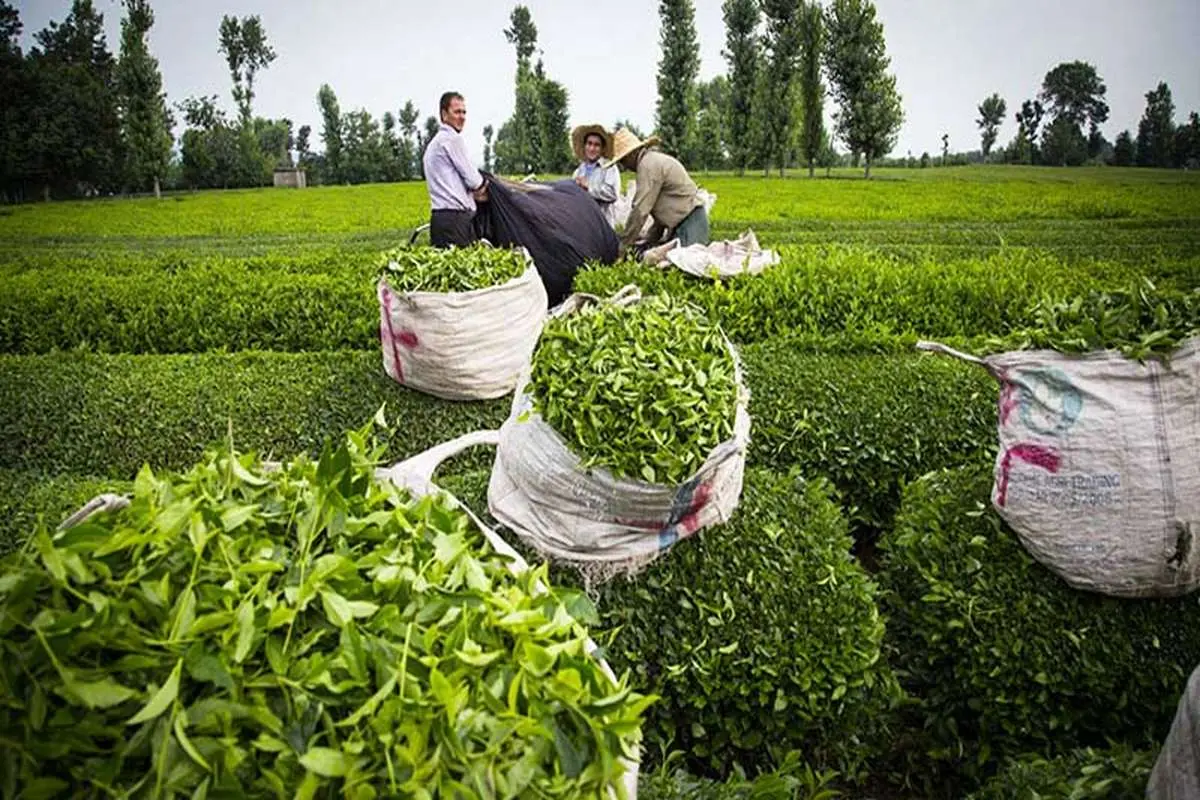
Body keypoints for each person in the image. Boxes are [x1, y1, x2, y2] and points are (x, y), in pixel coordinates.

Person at [604, 128, 709, 255]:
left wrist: (623, 246)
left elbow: (640, 211)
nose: (624, 166)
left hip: (690, 223)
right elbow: (660, 218)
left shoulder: (647, 166)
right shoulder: (651, 161)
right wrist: (649, 240)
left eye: (623, 161)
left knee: (681, 265)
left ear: (631, 154)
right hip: (683, 223)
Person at [423, 91, 488, 248]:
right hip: (456, 220)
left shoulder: (434, 145)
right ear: (444, 114)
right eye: (457, 112)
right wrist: (483, 186)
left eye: (464, 112)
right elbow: (474, 180)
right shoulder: (452, 139)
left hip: (439, 220)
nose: (462, 117)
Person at [570, 124, 621, 228]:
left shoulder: (609, 168)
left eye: (597, 145)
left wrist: (589, 186)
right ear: (584, 146)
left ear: (602, 149)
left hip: (603, 225)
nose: (592, 148)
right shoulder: (578, 172)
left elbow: (612, 193)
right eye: (589, 144)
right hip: (583, 225)